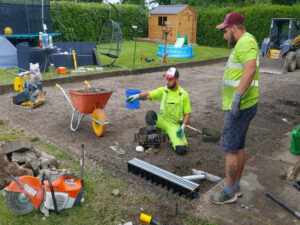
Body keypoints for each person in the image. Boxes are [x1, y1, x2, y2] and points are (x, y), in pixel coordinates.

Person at [210, 12, 259, 204]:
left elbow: (250, 69)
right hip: (240, 105)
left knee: (230, 148)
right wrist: (228, 103)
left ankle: (228, 191)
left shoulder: (246, 42)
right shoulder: (243, 42)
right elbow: (236, 75)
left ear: (234, 28)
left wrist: (237, 98)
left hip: (242, 106)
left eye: (225, 31)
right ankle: (235, 185)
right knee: (238, 146)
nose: (224, 35)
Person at [126, 67, 191, 155]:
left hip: (174, 125)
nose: (167, 82)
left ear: (177, 79)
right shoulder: (163, 91)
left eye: (170, 79)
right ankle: (154, 141)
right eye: (167, 79)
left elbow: (187, 113)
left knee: (181, 150)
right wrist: (136, 96)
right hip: (162, 120)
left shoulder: (184, 94)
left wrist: (182, 127)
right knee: (150, 114)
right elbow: (148, 95)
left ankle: (170, 136)